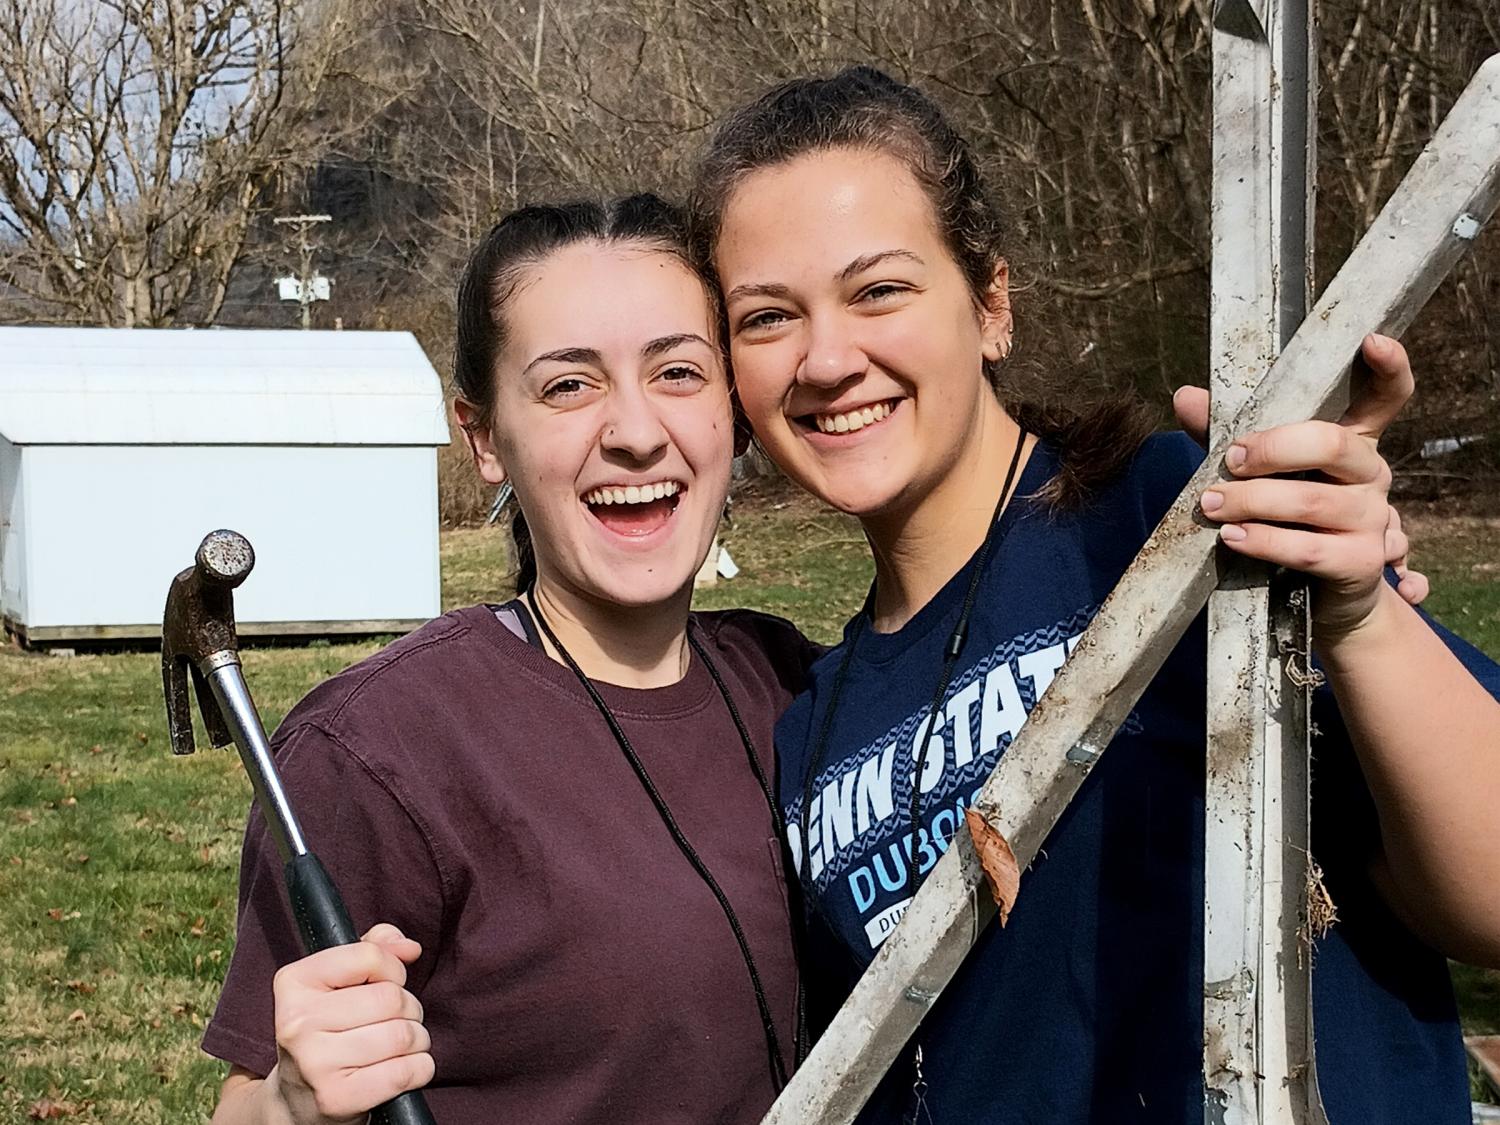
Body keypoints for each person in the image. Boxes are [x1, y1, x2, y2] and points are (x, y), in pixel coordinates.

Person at [689, 66, 1500, 1124]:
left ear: (990, 304)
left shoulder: (1176, 517)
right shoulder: (811, 729)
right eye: (765, 318)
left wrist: (1357, 614)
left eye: (878, 290)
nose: (828, 358)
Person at [203, 194, 818, 1124]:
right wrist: (291, 1103)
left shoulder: (797, 684)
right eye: (569, 385)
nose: (637, 431)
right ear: (485, 437)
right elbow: (245, 1105)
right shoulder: (380, 750)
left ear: (731, 405)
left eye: (680, 372)